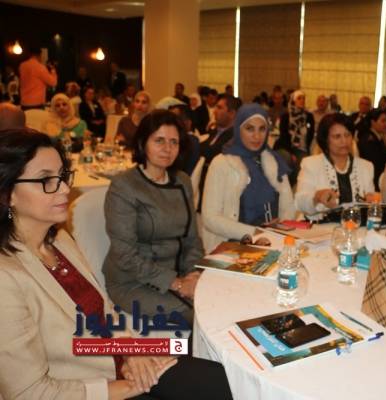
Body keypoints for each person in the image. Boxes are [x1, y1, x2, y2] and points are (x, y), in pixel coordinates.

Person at [0, 128, 232, 400]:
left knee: (219, 375)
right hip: (89, 387)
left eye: (62, 176)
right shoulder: (7, 277)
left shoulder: (59, 240)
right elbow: (29, 393)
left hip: (115, 355)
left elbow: (104, 310)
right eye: (46, 180)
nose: (64, 188)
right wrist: (130, 386)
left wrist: (132, 350)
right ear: (8, 193)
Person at [104, 110, 202, 325]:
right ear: (142, 143)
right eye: (159, 140)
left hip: (178, 273)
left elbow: (192, 239)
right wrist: (177, 283)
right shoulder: (124, 186)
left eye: (174, 142)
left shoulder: (182, 181)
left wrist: (193, 274)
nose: (168, 148)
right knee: (202, 314)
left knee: (220, 299)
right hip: (133, 282)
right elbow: (125, 255)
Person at [202, 104, 296, 252]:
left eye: (262, 129)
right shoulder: (221, 163)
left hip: (272, 242)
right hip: (232, 245)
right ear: (238, 129)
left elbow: (288, 207)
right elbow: (210, 218)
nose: (257, 136)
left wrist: (280, 228)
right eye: (250, 129)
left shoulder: (274, 161)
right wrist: (255, 232)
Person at [295, 113, 375, 221]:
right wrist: (317, 197)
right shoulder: (311, 164)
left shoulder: (366, 167)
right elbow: (300, 203)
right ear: (325, 140)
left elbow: (371, 202)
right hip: (318, 227)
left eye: (347, 135)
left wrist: (371, 201)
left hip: (355, 227)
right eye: (337, 136)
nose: (344, 141)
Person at [196, 93, 238, 213]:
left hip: (218, 189)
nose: (214, 111)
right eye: (215, 107)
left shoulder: (235, 137)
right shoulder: (214, 131)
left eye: (219, 108)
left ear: (232, 113)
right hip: (202, 184)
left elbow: (211, 153)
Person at [275, 90, 315, 184]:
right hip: (285, 147)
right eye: (299, 98)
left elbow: (310, 135)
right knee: (287, 159)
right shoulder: (286, 116)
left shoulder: (309, 116)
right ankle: (284, 185)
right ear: (293, 101)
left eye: (303, 98)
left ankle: (292, 186)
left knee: (302, 165)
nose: (302, 100)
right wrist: (291, 152)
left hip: (301, 149)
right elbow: (283, 136)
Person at [357, 108, 386, 191]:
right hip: (373, 180)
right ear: (373, 122)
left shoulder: (377, 136)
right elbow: (375, 164)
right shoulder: (368, 140)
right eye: (383, 121)